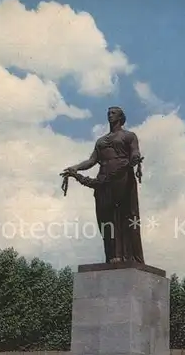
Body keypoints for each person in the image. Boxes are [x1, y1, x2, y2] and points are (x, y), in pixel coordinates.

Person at [60, 106, 144, 264]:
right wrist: (76, 168)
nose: (109, 116)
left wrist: (135, 158)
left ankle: (127, 256)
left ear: (120, 117)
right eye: (108, 113)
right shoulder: (100, 141)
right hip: (103, 180)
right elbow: (92, 161)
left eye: (113, 113)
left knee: (124, 216)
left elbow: (134, 152)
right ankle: (112, 255)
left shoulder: (129, 136)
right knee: (105, 218)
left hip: (122, 177)